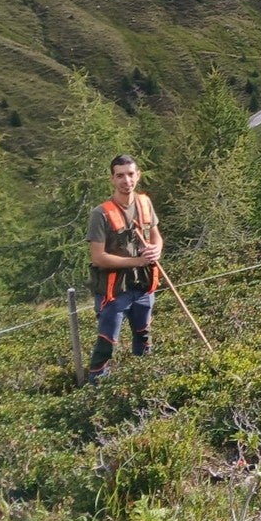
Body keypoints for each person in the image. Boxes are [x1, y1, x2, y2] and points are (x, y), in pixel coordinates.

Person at [86, 154, 163, 382]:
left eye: (130, 174)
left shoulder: (145, 204)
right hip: (114, 292)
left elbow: (157, 238)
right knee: (106, 343)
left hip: (143, 285)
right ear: (112, 179)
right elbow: (98, 258)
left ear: (137, 176)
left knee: (144, 335)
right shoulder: (100, 214)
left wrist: (156, 250)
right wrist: (137, 261)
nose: (126, 180)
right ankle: (95, 386)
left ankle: (144, 378)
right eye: (120, 175)